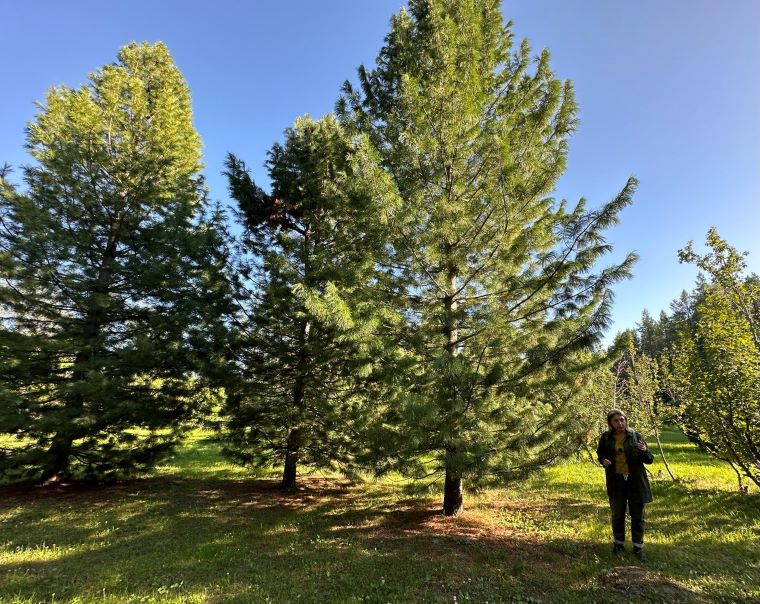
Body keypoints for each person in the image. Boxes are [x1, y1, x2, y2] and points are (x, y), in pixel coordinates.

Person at [596, 408, 654, 561]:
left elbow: (649, 459)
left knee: (638, 515)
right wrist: (603, 460)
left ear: (626, 420)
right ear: (610, 423)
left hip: (635, 481)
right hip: (616, 481)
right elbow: (600, 454)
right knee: (617, 514)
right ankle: (618, 544)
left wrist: (644, 450)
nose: (620, 423)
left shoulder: (635, 436)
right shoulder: (606, 437)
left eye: (622, 420)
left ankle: (638, 547)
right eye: (616, 421)